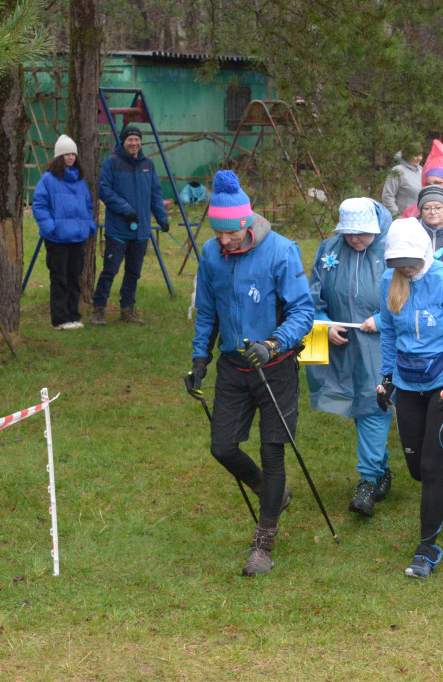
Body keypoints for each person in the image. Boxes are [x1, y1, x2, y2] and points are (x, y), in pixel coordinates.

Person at [185, 170, 314, 577]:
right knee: (222, 447)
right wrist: (199, 359)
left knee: (272, 452)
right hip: (233, 366)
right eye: (217, 232)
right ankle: (271, 492)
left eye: (230, 233)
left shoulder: (281, 251)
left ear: (246, 222)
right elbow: (207, 311)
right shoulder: (211, 254)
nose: (223, 240)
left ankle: (264, 545)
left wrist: (274, 343)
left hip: (274, 367)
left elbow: (303, 312)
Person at [377, 217, 443, 578]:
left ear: (424, 251)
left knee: (432, 467)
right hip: (407, 382)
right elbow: (388, 333)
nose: (405, 268)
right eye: (398, 263)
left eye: (410, 261)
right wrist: (386, 378)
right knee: (417, 469)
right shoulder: (389, 281)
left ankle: (427, 550)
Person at [307, 198, 394, 517]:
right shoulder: (329, 248)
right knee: (359, 407)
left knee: (375, 405)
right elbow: (312, 297)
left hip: (381, 345)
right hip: (342, 345)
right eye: (349, 233)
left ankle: (368, 480)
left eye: (362, 232)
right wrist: (324, 324)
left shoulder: (393, 249)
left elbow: (411, 295)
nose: (354, 239)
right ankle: (381, 468)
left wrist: (383, 320)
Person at [91, 125, 169, 325]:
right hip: (118, 229)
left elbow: (155, 194)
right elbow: (104, 190)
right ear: (123, 142)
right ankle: (98, 310)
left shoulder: (148, 165)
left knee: (134, 273)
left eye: (137, 140)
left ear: (140, 142)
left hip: (141, 231)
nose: (133, 143)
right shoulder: (112, 163)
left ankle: (127, 310)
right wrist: (126, 209)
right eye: (130, 140)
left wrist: (162, 217)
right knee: (110, 271)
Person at [31, 134, 97, 330]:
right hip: (57, 239)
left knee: (74, 278)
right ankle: (60, 319)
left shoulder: (80, 180)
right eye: (66, 154)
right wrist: (51, 228)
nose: (70, 157)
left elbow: (88, 205)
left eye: (73, 154)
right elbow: (39, 205)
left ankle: (73, 315)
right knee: (59, 279)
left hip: (77, 238)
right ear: (59, 157)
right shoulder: (48, 180)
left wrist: (88, 225)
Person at [415, 185, 443, 258]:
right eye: (427, 208)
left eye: (438, 208)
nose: (432, 212)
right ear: (421, 210)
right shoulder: (410, 232)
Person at [382, 142, 424, 218]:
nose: (419, 158)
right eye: (415, 155)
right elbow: (387, 196)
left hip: (421, 220)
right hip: (404, 220)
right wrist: (398, 217)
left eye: (420, 155)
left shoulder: (421, 171)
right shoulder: (398, 171)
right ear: (407, 155)